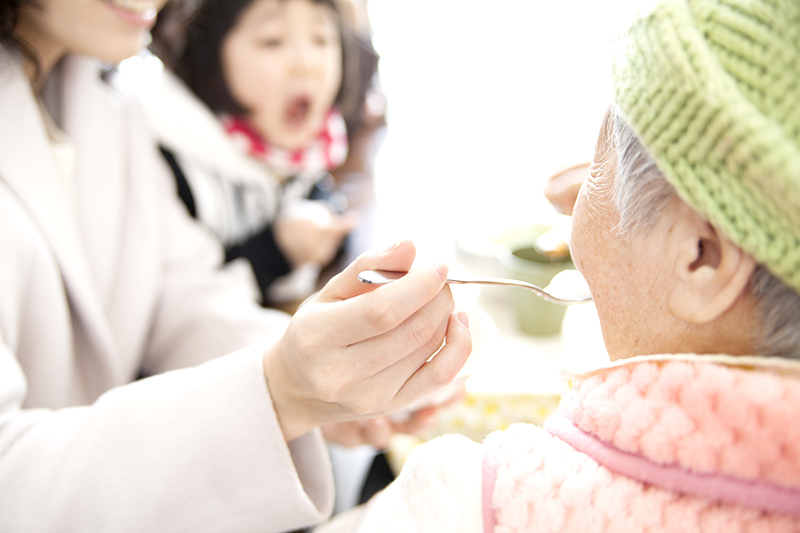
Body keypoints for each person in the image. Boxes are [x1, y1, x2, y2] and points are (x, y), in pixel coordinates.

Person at [316, 0, 800, 530]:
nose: (565, 192)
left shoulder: (463, 502)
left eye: (599, 158)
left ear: (701, 257)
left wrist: (292, 397)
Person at [0, 1, 472, 531]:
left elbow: (180, 294)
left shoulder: (104, 100)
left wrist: (335, 371)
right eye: (272, 42)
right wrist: (277, 395)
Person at [138, 0, 361, 305]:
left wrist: (325, 224)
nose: (307, 63)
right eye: (273, 41)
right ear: (210, 52)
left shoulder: (292, 142)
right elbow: (181, 302)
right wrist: (278, 250)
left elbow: (314, 192)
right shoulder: (171, 156)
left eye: (321, 39)